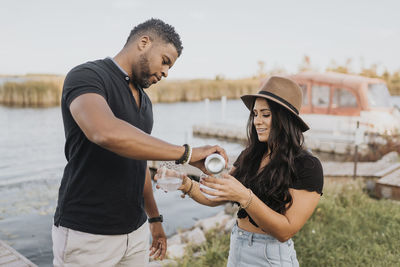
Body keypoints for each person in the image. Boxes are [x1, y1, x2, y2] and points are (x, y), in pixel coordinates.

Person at [52, 18, 228, 267]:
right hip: (88, 234)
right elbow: (103, 131)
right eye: (165, 61)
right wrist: (186, 154)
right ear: (144, 43)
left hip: (135, 233)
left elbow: (139, 164)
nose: (166, 72)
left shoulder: (145, 104)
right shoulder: (87, 76)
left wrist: (154, 219)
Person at [160, 76, 324, 266]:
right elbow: (214, 197)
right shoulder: (251, 155)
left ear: (284, 118)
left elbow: (285, 231)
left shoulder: (307, 166)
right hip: (238, 245)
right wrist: (185, 183)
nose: (257, 121)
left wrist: (245, 197)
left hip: (271, 256)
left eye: (265, 114)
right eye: (255, 114)